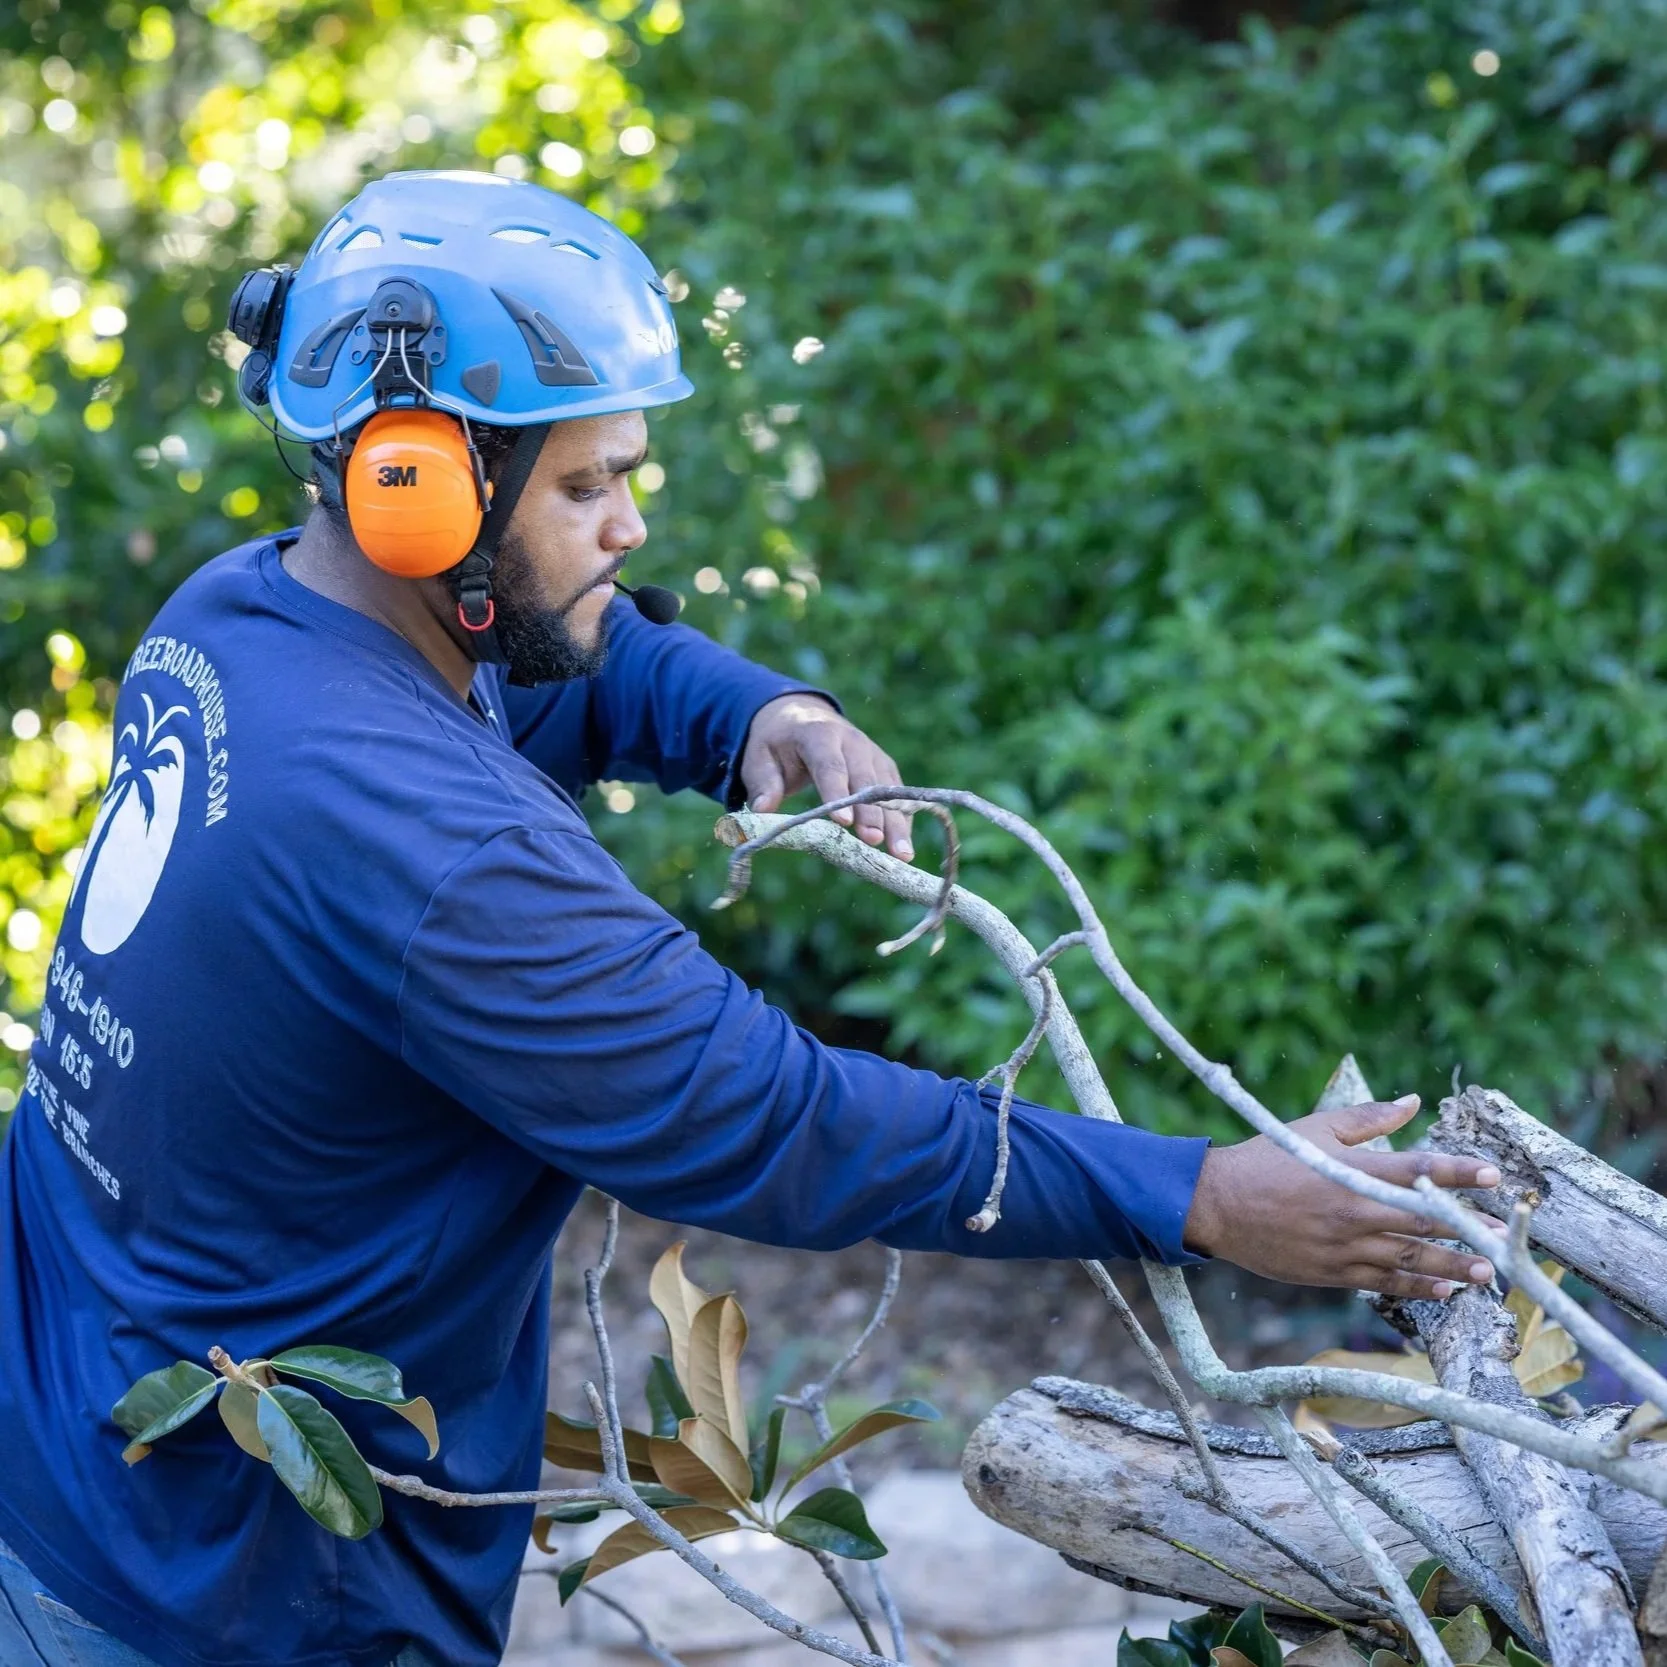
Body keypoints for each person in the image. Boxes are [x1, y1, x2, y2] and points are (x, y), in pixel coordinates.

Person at [0, 171, 1502, 1667]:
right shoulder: (444, 857)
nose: (629, 523)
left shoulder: (241, 618)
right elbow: (776, 1120)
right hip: (219, 1589)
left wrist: (754, 712)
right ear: (415, 484)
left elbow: (556, 667)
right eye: (587, 486)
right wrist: (1197, 1195)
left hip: (67, 1426)